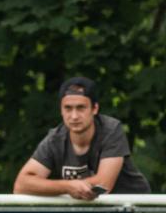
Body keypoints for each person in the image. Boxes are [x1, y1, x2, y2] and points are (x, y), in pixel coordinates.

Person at [13, 76, 151, 198]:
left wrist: (63, 187)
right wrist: (68, 187)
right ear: (61, 110)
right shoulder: (55, 139)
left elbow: (103, 185)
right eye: (68, 108)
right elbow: (21, 185)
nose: (74, 116)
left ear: (95, 109)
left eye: (81, 108)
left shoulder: (111, 130)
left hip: (134, 211)